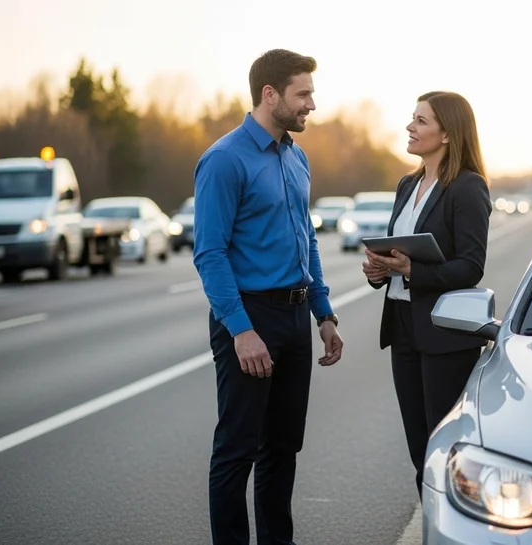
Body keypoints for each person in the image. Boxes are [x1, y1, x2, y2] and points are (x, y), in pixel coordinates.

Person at [193, 48, 344, 545]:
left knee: (282, 448)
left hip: (295, 316)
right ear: (270, 94)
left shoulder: (296, 158)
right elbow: (210, 254)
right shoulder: (223, 160)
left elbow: (308, 240)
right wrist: (240, 330)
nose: (311, 106)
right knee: (237, 449)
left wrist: (323, 313)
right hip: (249, 317)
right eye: (304, 95)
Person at [361, 91, 493, 497]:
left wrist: (413, 270)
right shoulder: (407, 184)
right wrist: (379, 269)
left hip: (444, 332)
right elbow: (394, 251)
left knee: (445, 447)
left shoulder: (468, 187)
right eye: (412, 118)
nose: (410, 127)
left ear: (448, 134)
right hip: (402, 327)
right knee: (419, 448)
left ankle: (456, 525)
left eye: (421, 121)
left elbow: (471, 266)